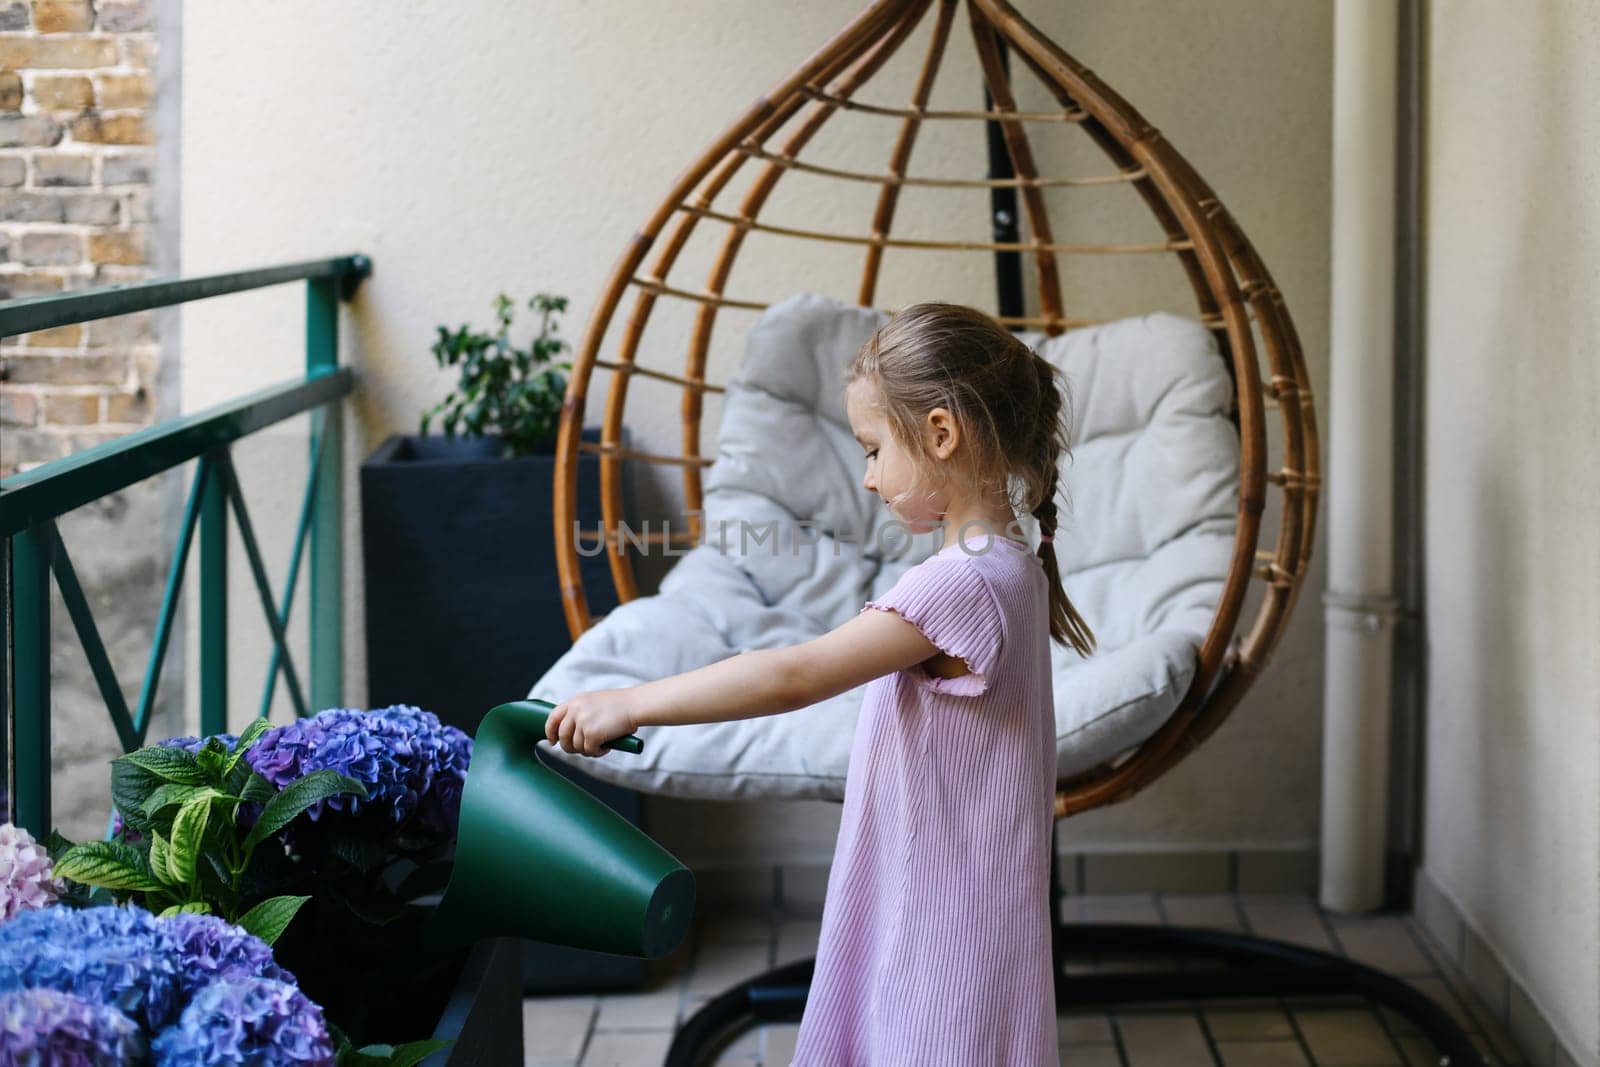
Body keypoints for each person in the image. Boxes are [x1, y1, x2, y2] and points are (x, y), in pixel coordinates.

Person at [544, 302, 1096, 1065]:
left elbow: (794, 673)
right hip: (967, 913)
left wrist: (632, 699)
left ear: (941, 433)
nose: (867, 478)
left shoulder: (960, 585)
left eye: (872, 450)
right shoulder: (1013, 565)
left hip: (941, 930)